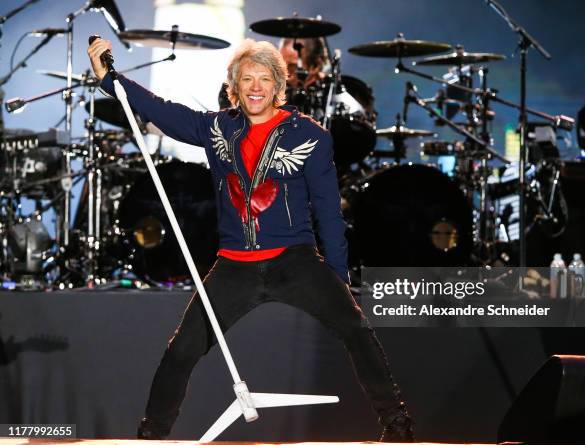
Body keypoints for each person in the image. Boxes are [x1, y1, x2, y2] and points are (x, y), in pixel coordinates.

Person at [88, 38, 413, 442]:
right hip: (234, 266)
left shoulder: (309, 136)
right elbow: (163, 112)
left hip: (295, 261)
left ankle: (397, 425)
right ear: (235, 87)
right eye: (247, 79)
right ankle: (152, 434)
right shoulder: (217, 128)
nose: (255, 87)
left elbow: (329, 212)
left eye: (264, 79)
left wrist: (338, 278)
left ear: (279, 87)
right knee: (182, 349)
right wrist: (111, 80)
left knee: (356, 328)